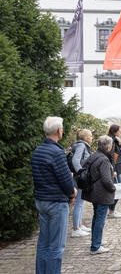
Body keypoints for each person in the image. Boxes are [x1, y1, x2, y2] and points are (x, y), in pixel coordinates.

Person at [31, 116, 77, 274]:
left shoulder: (38, 150)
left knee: (43, 243)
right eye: (62, 128)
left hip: (42, 201)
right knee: (56, 247)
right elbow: (65, 181)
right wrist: (73, 193)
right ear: (59, 130)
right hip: (56, 203)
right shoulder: (57, 152)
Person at [81, 135, 116, 255]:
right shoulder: (104, 160)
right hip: (102, 193)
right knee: (100, 219)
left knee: (96, 217)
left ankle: (97, 240)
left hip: (93, 192)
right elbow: (106, 180)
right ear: (107, 148)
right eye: (111, 146)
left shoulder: (94, 155)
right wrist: (113, 187)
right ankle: (95, 246)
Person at [70, 129, 93, 238]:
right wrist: (81, 174)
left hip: (80, 177)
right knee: (79, 203)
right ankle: (76, 229)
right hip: (80, 178)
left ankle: (79, 225)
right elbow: (75, 160)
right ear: (85, 137)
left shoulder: (81, 145)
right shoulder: (81, 146)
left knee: (81, 202)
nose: (92, 137)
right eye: (90, 135)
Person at [107, 124, 121, 218]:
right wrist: (113, 170)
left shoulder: (115, 140)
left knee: (118, 189)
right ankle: (111, 211)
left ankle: (111, 210)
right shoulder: (112, 141)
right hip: (114, 169)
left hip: (116, 168)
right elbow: (111, 156)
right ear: (115, 131)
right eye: (119, 131)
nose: (120, 133)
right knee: (118, 189)